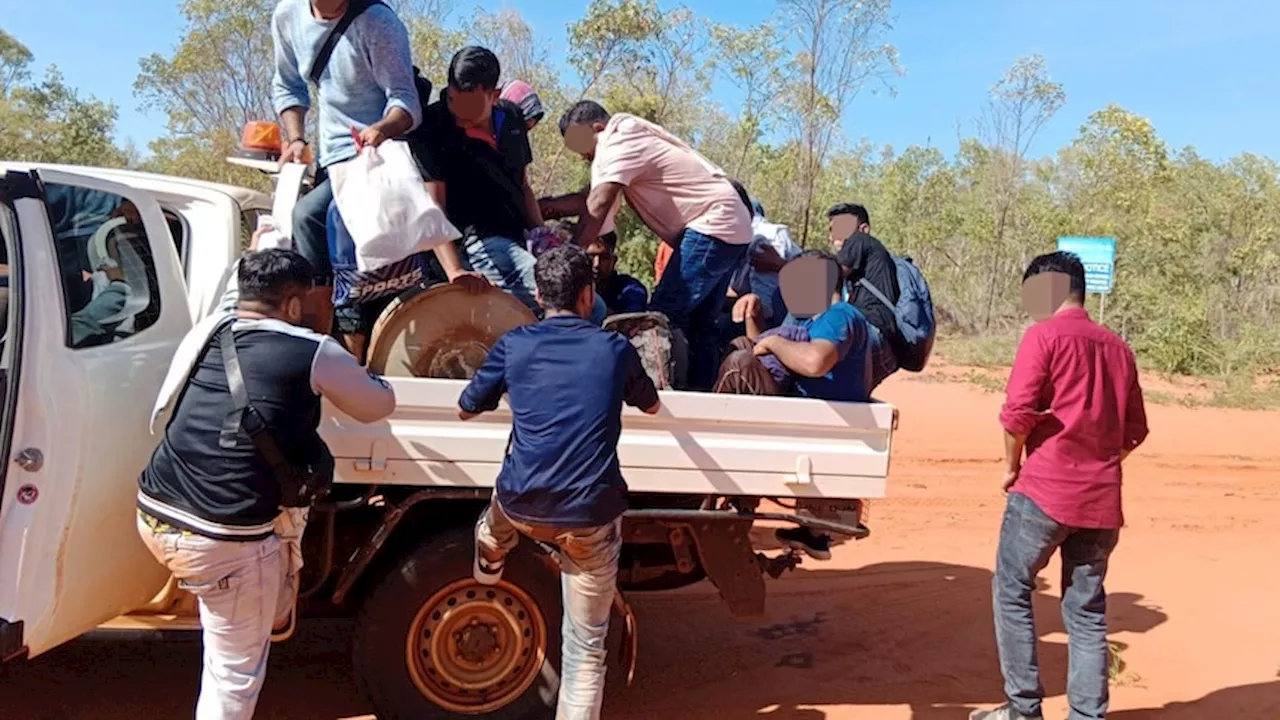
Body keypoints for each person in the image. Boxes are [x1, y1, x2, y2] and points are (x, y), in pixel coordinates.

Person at [137, 248, 397, 720]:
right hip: (221, 537)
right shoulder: (313, 351)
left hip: (155, 509)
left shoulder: (209, 331)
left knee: (243, 606)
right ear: (295, 304)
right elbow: (378, 405)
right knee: (232, 676)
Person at [459, 244, 661, 719]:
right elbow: (651, 405)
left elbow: (466, 407)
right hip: (589, 517)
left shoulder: (514, 344)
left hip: (521, 504)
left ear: (536, 295)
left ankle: (489, 556)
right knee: (585, 649)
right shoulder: (615, 348)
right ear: (589, 296)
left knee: (498, 511)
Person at [971, 251, 1148, 720]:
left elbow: (1016, 416)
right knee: (1086, 611)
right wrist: (1100, 461)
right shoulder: (1118, 347)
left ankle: (1023, 709)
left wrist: (1011, 467)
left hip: (1044, 492)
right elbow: (1134, 431)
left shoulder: (1043, 336)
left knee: (1012, 590)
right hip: (1102, 501)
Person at [559, 100, 753, 391]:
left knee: (661, 316)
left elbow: (598, 204)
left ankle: (656, 394)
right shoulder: (629, 141)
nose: (585, 157)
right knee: (700, 323)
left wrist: (567, 257)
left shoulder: (617, 139)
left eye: (584, 147)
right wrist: (546, 208)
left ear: (597, 128)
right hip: (730, 224)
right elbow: (590, 199)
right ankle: (701, 394)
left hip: (712, 223)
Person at [272, 0, 423, 301]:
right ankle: (324, 317)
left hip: (378, 159)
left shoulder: (378, 22)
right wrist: (296, 139)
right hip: (331, 162)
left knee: (312, 216)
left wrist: (381, 129)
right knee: (295, 228)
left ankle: (334, 314)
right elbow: (287, 86)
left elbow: (406, 100)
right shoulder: (287, 15)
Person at [412, 46, 543, 314]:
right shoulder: (434, 126)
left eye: (469, 105)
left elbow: (523, 185)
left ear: (494, 96)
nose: (458, 110)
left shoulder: (513, 118)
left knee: (590, 300)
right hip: (475, 244)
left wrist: (544, 236)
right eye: (452, 99)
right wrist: (455, 270)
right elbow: (432, 208)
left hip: (520, 239)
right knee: (555, 298)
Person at [828, 203, 902, 390]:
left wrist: (779, 264)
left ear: (863, 229)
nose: (832, 237)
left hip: (869, 332)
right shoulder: (868, 264)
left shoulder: (860, 239)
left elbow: (824, 275)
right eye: (831, 230)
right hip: (885, 345)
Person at [588, 231, 648, 316]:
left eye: (604, 258)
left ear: (614, 260)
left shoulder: (627, 287)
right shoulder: (571, 289)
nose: (596, 264)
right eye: (591, 256)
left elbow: (633, 312)